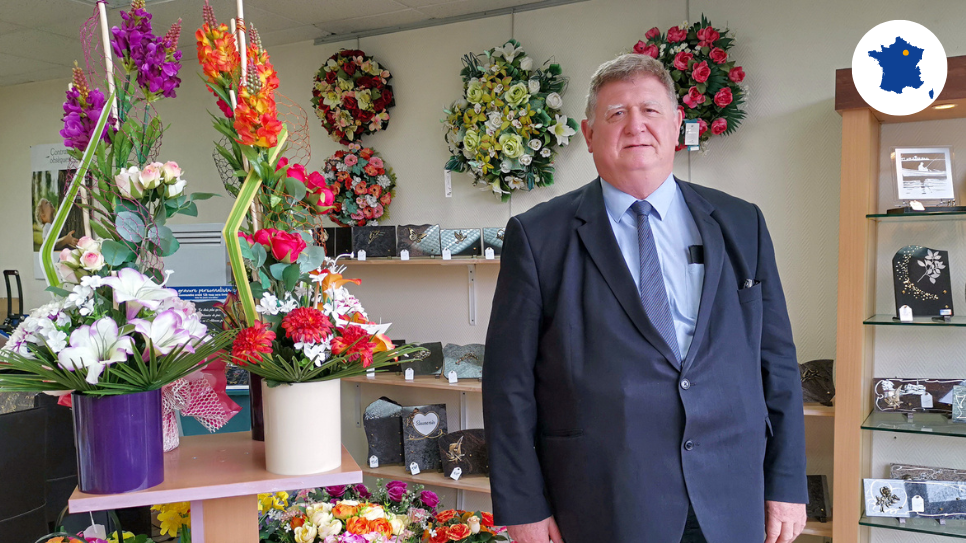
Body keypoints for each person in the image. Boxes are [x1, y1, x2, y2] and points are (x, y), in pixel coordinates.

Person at [482, 54, 807, 543]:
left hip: (731, 494)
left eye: (651, 110)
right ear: (589, 134)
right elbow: (507, 384)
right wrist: (523, 506)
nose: (636, 126)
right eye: (616, 113)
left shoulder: (742, 223)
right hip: (604, 500)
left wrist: (787, 483)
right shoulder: (537, 236)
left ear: (676, 124)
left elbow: (776, 361)